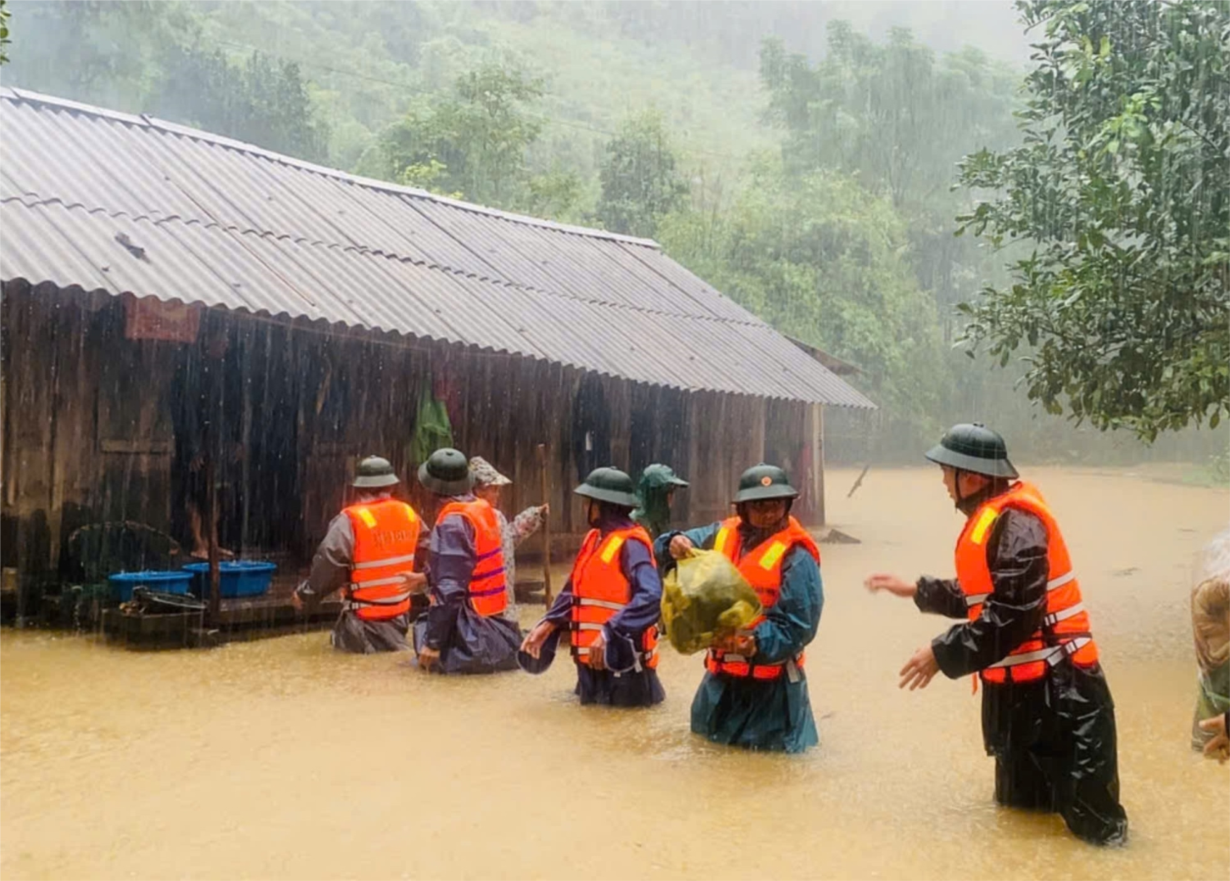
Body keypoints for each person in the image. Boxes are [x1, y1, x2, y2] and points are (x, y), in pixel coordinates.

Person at [864, 423, 1128, 846]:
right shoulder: (994, 522)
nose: (944, 484)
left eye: (947, 473)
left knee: (1095, 833)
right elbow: (982, 597)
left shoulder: (1019, 524)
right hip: (1019, 702)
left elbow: (1012, 615)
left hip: (1064, 697)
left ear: (971, 477)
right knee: (1020, 824)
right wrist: (917, 589)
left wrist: (941, 653)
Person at [657, 464, 824, 753]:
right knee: (708, 758)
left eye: (775, 505)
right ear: (743, 508)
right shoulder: (720, 533)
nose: (768, 513)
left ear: (787, 505)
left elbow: (800, 625)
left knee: (770, 772)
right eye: (759, 506)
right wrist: (672, 542)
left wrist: (755, 643)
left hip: (772, 693)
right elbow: (671, 546)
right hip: (720, 685)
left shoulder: (797, 556)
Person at [521, 468, 665, 707]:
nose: (583, 508)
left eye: (588, 502)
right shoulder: (594, 539)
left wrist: (611, 631)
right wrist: (549, 623)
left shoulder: (632, 543)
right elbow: (573, 591)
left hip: (626, 671)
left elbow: (651, 597)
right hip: (591, 666)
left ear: (602, 506)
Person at [292, 456, 424, 654]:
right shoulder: (409, 514)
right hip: (400, 615)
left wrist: (306, 594)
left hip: (363, 620)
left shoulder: (351, 519)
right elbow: (433, 552)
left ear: (359, 488)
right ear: (391, 485)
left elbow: (329, 561)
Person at [412, 448, 521, 674]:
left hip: (469, 623)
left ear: (433, 489)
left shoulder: (453, 521)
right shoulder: (482, 509)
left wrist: (433, 642)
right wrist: (427, 576)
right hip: (493, 620)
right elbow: (470, 563)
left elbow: (451, 586)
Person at [469, 456, 548, 626]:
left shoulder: (496, 516)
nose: (498, 494)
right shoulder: (469, 520)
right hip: (483, 606)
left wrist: (534, 515)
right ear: (479, 491)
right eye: (494, 490)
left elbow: (509, 539)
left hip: (503, 601)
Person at [631, 464, 689, 541]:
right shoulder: (632, 525)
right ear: (655, 494)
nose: (671, 498)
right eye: (668, 492)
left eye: (673, 491)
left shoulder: (659, 524)